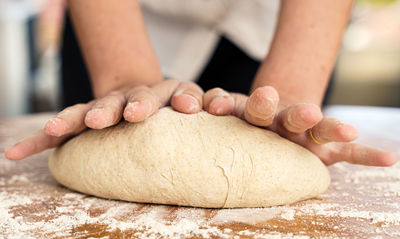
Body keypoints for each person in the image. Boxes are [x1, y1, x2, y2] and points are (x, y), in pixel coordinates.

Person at [5, 0, 398, 167]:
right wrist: (124, 78)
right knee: (109, 134)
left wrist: (293, 88)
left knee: (283, 137)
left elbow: (285, 107)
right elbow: (123, 93)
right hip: (120, 22)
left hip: (279, 27)